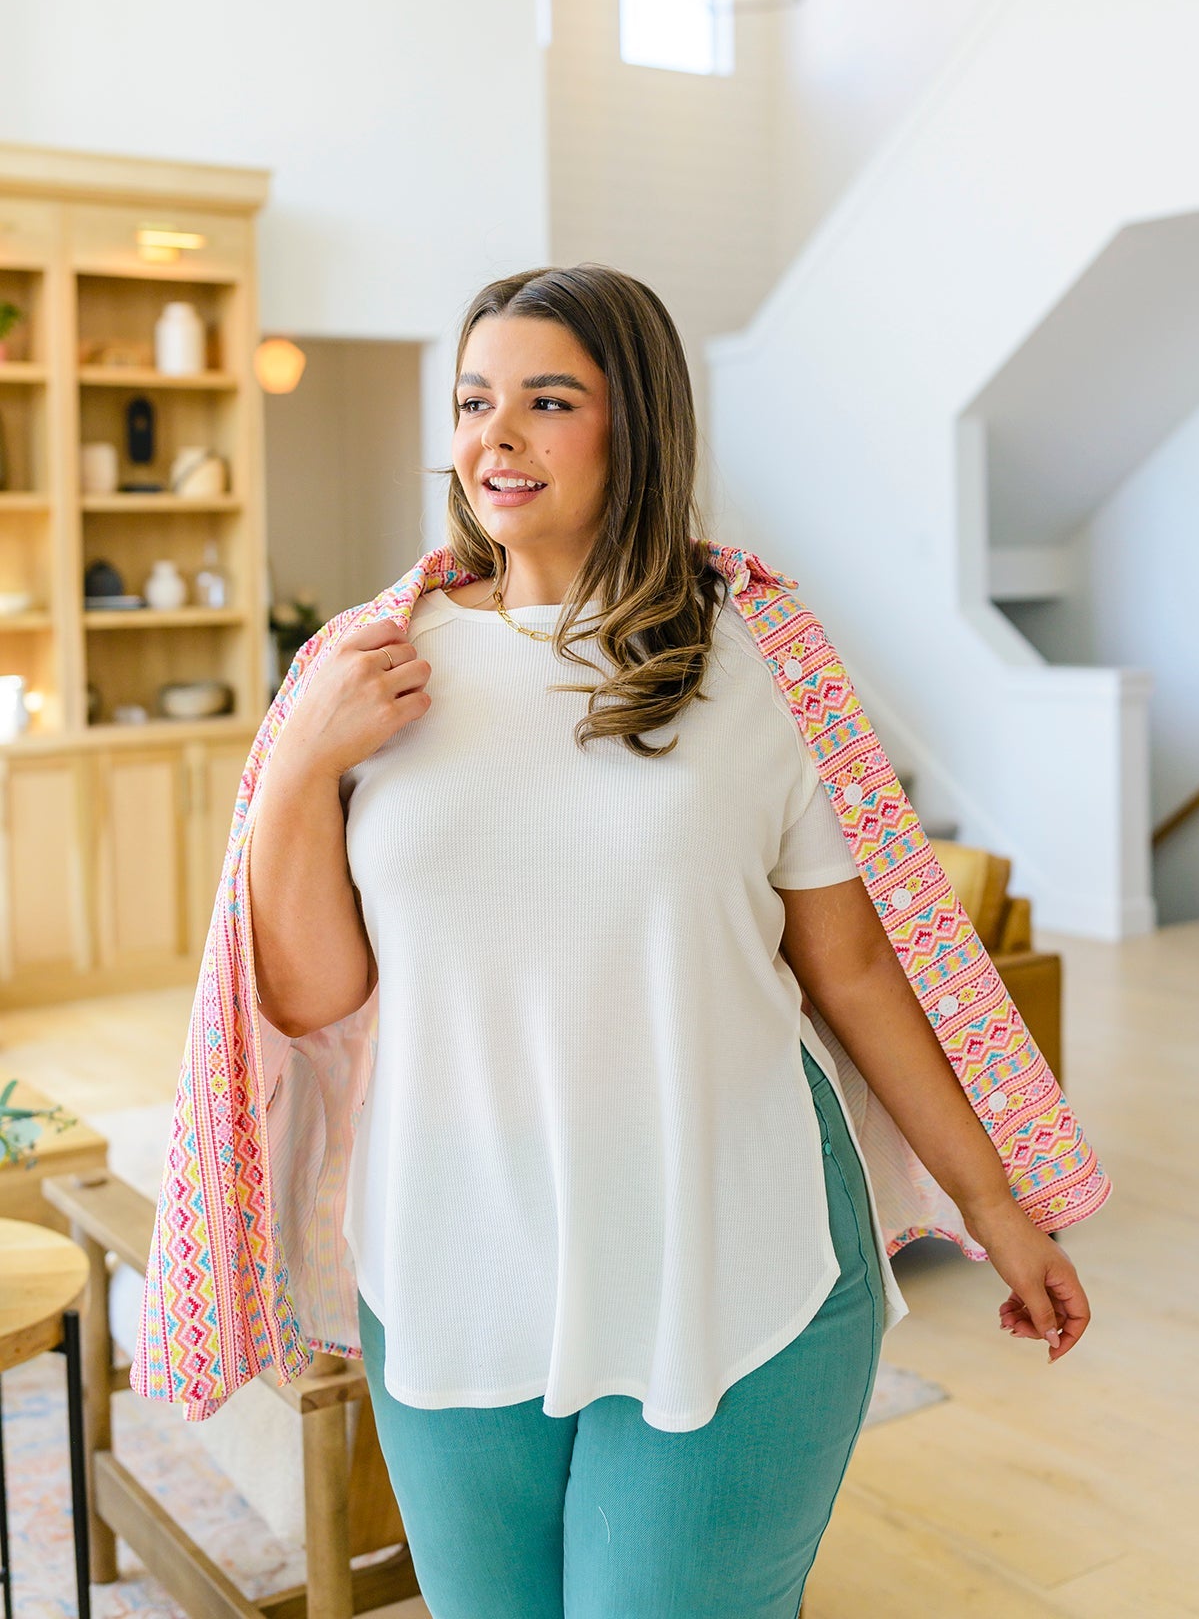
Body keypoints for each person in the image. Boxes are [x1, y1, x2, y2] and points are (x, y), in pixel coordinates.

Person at [244, 264, 1095, 1618]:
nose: (495, 436)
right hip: (454, 1252)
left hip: (731, 1241)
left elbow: (852, 967)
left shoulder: (757, 656)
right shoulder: (366, 666)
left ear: (633, 424)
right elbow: (310, 992)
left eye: (547, 400)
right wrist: (297, 763)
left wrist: (997, 1211)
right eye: (472, 401)